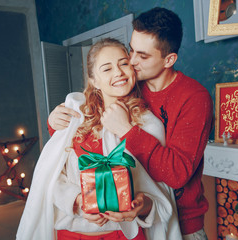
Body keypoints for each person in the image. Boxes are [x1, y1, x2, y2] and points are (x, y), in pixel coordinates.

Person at [48, 8, 213, 240]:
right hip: (123, 223)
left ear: (169, 60)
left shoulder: (194, 98)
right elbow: (90, 120)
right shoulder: (132, 87)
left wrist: (127, 130)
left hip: (183, 222)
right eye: (131, 50)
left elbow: (176, 174)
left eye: (142, 56)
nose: (132, 62)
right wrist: (56, 123)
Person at [17, 38, 182, 240]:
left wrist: (142, 205)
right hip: (73, 234)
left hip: (126, 235)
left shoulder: (149, 125)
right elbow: (51, 178)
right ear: (94, 80)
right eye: (107, 69)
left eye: (124, 63)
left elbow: (162, 193)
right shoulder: (74, 117)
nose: (119, 73)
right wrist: (77, 202)